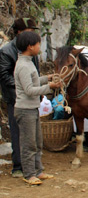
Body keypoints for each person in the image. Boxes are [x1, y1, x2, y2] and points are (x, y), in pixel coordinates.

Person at [14, 31, 61, 185]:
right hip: (25, 109)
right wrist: (49, 86)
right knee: (29, 143)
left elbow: (33, 82)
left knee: (37, 141)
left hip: (32, 108)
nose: (39, 46)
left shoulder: (28, 63)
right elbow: (29, 90)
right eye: (38, 44)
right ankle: (29, 174)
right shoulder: (23, 66)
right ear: (30, 46)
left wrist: (45, 78)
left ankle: (38, 170)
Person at [0, 18, 40, 178]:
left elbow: (35, 72)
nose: (32, 34)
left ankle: (33, 165)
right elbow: (4, 75)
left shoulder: (32, 51)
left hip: (31, 97)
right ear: (19, 32)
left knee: (32, 134)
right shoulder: (7, 51)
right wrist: (24, 87)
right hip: (15, 98)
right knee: (17, 131)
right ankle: (18, 165)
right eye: (29, 31)